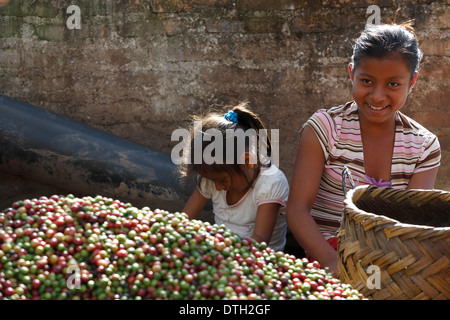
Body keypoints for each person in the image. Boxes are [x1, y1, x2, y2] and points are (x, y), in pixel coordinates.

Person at [286, 23, 441, 276]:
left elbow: (413, 226)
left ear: (412, 81)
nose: (377, 96)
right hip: (326, 255)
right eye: (366, 81)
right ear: (351, 74)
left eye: (393, 84)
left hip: (393, 262)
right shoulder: (325, 129)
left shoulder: (424, 146)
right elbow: (297, 211)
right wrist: (332, 263)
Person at [178, 102, 289, 252]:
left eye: (222, 180)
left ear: (247, 162)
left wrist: (217, 250)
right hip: (220, 255)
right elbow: (183, 220)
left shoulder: (270, 184)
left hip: (259, 262)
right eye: (213, 180)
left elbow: (260, 241)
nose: (217, 186)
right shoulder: (213, 175)